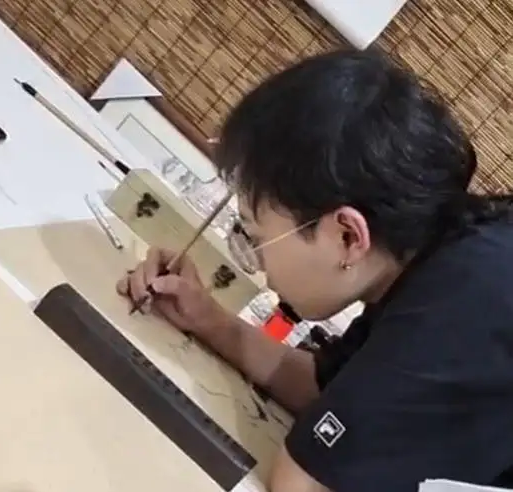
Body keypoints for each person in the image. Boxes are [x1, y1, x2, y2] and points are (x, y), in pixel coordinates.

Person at [117, 48, 513, 492]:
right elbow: (323, 389)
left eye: (255, 237)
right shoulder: (432, 259)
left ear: (347, 236)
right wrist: (208, 320)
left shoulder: (467, 295)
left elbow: (301, 483)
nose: (259, 262)